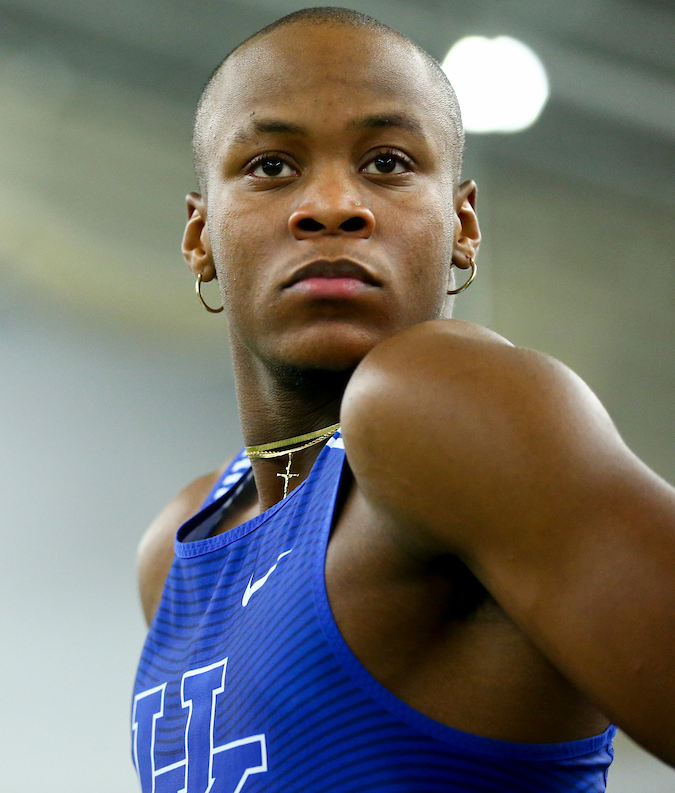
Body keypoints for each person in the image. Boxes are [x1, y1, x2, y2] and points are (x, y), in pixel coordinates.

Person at [132, 7, 675, 792]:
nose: (330, 204)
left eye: (387, 162)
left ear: (463, 226)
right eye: (270, 167)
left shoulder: (430, 401)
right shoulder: (178, 550)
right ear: (198, 237)